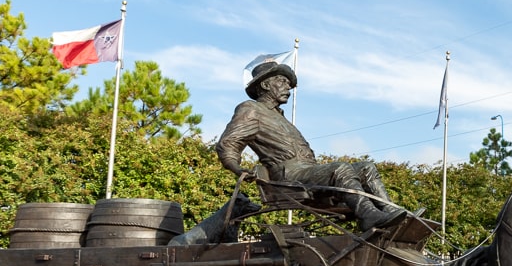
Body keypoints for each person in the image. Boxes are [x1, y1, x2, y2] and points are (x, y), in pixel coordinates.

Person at [171, 60, 404, 246]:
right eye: (282, 82)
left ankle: (391, 211)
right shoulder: (250, 109)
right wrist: (237, 168)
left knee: (366, 167)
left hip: (307, 171)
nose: (288, 88)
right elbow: (228, 143)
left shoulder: (280, 118)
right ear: (265, 85)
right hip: (288, 177)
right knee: (340, 168)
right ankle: (368, 214)